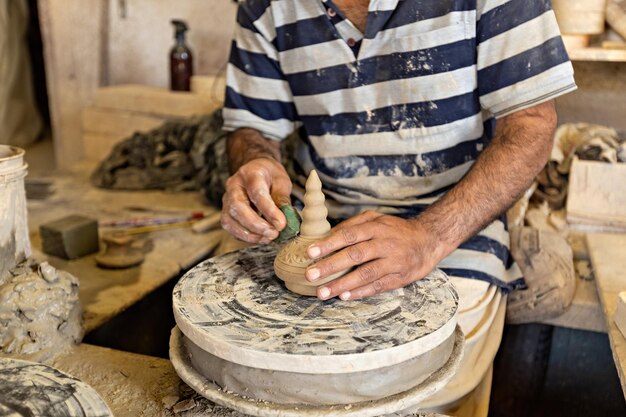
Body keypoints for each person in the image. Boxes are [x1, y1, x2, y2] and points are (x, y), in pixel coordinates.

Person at [220, 0, 576, 415]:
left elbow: (531, 125)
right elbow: (252, 126)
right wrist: (255, 162)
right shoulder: (264, 7)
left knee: (402, 386)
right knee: (244, 367)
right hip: (322, 218)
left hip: (453, 223)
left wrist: (429, 238)